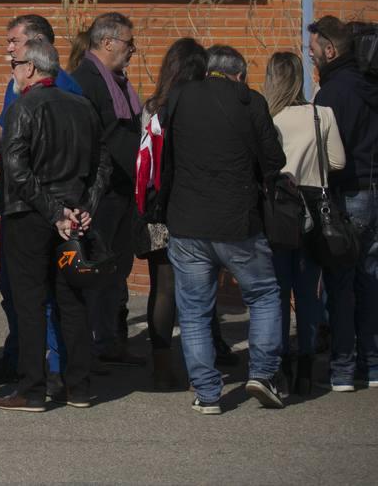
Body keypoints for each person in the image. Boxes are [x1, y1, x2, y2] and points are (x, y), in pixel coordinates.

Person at [163, 45, 287, 413]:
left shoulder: (180, 96)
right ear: (239, 74)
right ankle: (262, 374)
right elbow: (274, 160)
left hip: (186, 221)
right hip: (238, 221)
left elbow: (166, 156)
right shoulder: (250, 101)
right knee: (263, 295)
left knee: (195, 310)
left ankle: (207, 392)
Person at [0, 37, 109, 412]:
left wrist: (55, 211)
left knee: (30, 302)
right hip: (71, 215)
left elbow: (16, 169)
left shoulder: (23, 108)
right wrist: (83, 206)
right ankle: (79, 386)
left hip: (31, 217)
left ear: (29, 68)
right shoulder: (83, 108)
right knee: (71, 300)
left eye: (15, 65)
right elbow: (102, 164)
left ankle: (31, 388)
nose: (13, 72)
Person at [0, 14, 85, 388]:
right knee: (23, 292)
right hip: (39, 202)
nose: (8, 48)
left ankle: (49, 371)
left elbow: (7, 134)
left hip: (36, 206)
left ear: (36, 48)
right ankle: (21, 356)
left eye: (14, 41)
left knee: (41, 292)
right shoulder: (24, 81)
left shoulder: (55, 86)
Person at [132, 38, 215, 391]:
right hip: (198, 205)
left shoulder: (153, 107)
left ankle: (161, 365)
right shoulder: (206, 104)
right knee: (201, 283)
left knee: (162, 287)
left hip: (158, 209)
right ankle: (205, 361)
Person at [263, 50, 346, 396]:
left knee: (277, 291)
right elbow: (338, 162)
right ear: (299, 76)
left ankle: (280, 362)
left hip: (278, 208)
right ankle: (307, 366)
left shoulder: (266, 116)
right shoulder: (320, 114)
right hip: (314, 205)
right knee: (309, 290)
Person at [70, 11, 144, 367]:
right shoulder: (85, 81)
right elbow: (96, 139)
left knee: (116, 272)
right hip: (101, 195)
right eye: (129, 43)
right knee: (96, 272)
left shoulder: (119, 81)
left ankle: (110, 340)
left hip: (123, 191)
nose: (133, 50)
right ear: (108, 43)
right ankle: (91, 346)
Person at [309, 16, 378, 391]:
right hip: (375, 190)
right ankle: (373, 365)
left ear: (330, 51)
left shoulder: (333, 94)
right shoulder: (369, 84)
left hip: (348, 195)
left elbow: (329, 155)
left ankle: (342, 368)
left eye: (314, 48)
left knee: (341, 284)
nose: (310, 54)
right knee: (371, 281)